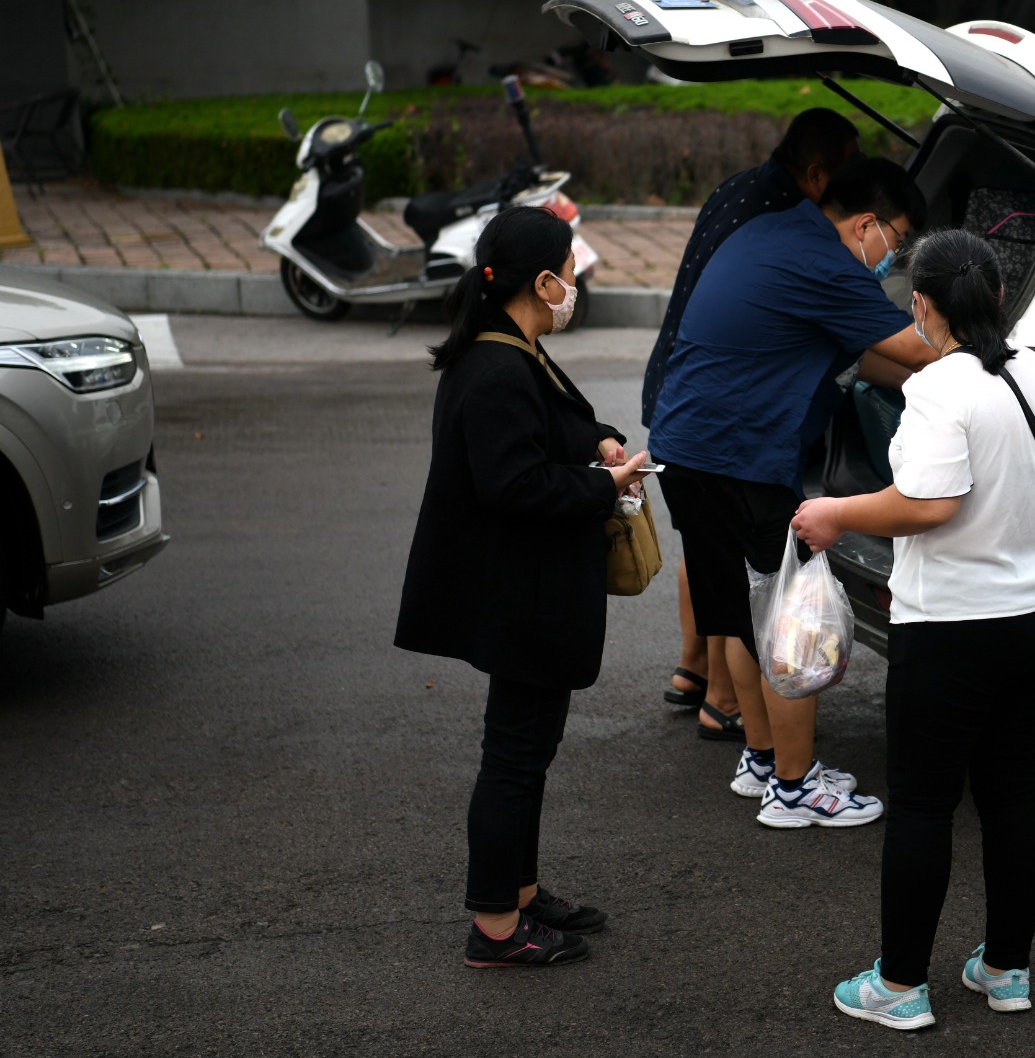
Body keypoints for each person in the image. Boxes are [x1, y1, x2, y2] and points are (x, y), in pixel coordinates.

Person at [790, 230, 1035, 1030]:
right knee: (1013, 793)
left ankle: (901, 985)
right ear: (997, 296)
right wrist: (1011, 529)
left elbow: (927, 505)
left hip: (953, 626)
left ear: (922, 303)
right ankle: (1005, 969)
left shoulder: (936, 387)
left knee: (923, 803)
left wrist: (833, 512)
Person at [395, 207, 653, 968]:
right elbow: (516, 485)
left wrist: (597, 439)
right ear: (542, 282)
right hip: (518, 596)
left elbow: (553, 426)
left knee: (527, 751)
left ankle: (522, 891)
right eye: (571, 272)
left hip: (525, 591)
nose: (577, 284)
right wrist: (602, 486)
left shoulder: (510, 348)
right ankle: (495, 926)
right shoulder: (498, 367)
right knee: (512, 756)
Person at [650, 157, 939, 827]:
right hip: (741, 461)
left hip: (686, 450)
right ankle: (797, 788)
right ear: (868, 224)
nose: (892, 259)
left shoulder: (769, 234)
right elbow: (921, 350)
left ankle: (761, 760)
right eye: (896, 242)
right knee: (791, 621)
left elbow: (853, 353)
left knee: (745, 617)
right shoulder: (828, 263)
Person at [645, 109, 864, 742]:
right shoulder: (785, 222)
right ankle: (753, 731)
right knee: (768, 593)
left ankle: (707, 686)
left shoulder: (738, 189)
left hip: (682, 395)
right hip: (726, 416)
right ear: (818, 173)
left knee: (715, 561)